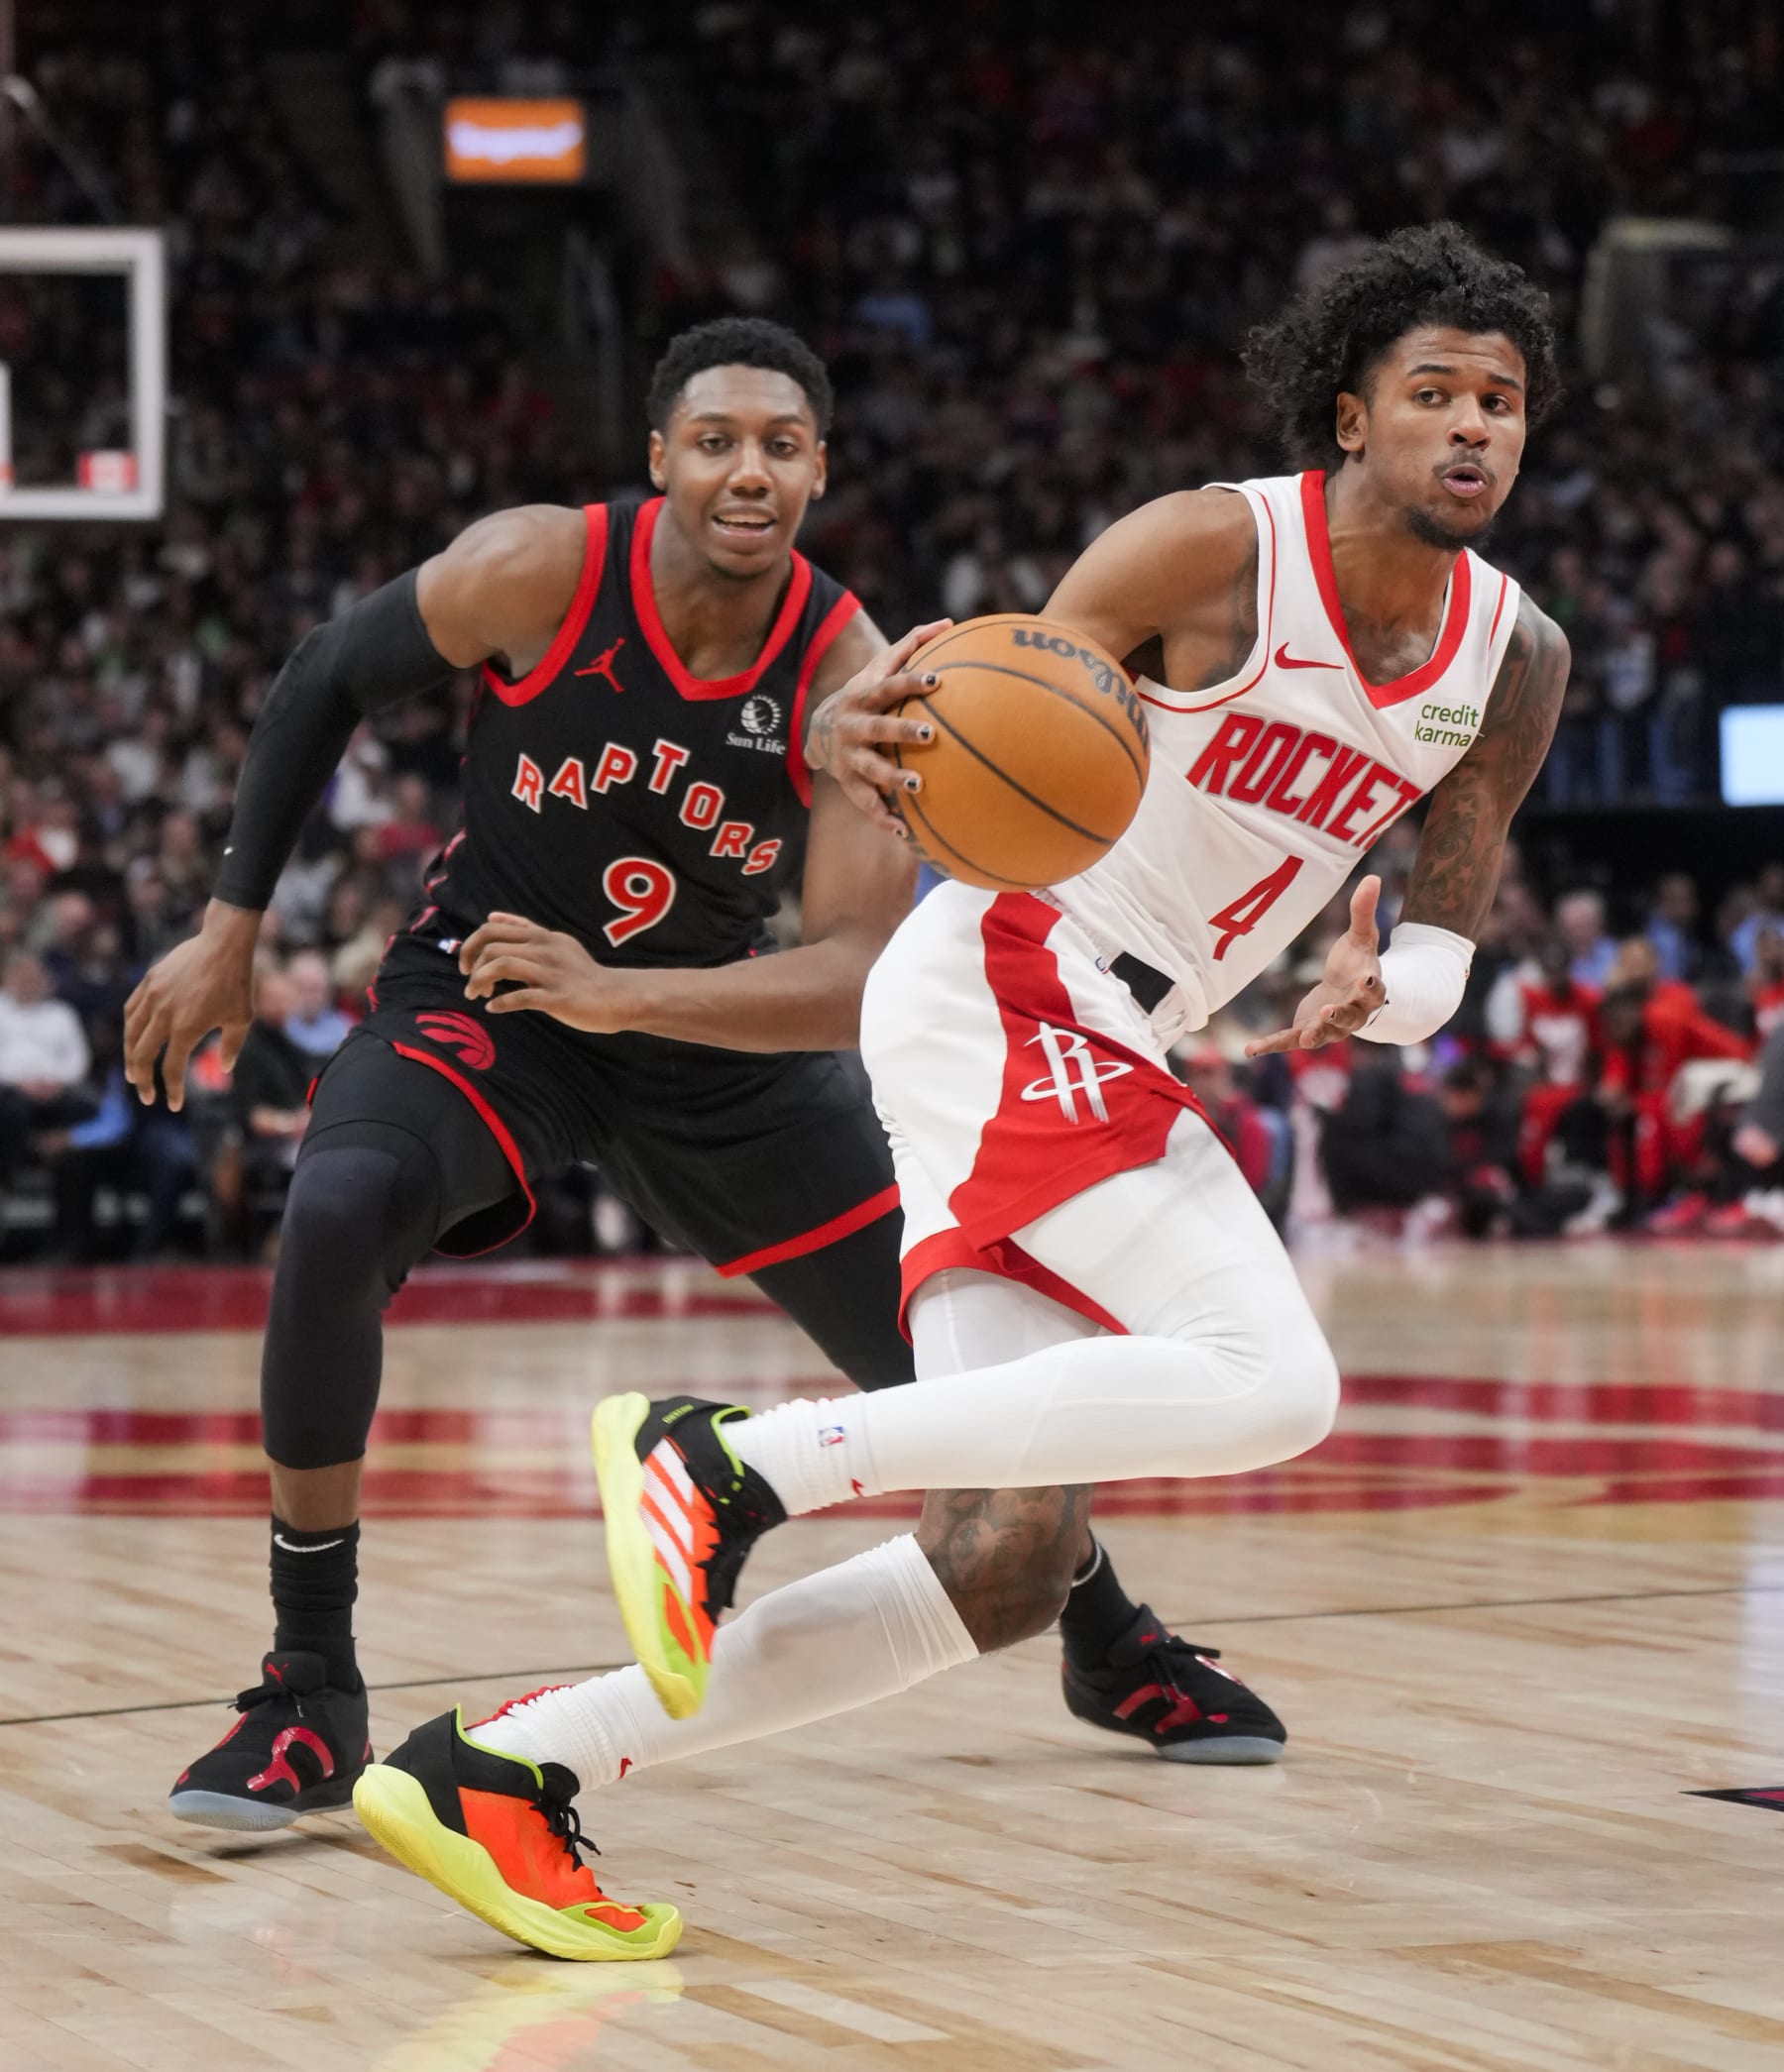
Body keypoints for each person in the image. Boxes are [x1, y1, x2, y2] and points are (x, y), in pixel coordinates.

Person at [357, 224, 1574, 1961]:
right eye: (1435, 395)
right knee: (1278, 1382)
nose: (1474, 429)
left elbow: (1448, 907)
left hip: (1101, 1028)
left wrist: (1394, 989)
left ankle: (507, 1768)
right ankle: (731, 1463)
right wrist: (881, 732)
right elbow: (997, 695)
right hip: (1020, 971)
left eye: (1504, 403)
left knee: (1002, 1564)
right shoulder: (1216, 544)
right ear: (1350, 415)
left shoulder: (1514, 657)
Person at [125, 319, 1276, 1888]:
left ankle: (1102, 1631)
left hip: (707, 1038)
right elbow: (327, 676)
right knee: (335, 1209)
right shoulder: (534, 571)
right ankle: (307, 1682)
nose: (751, 469)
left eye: (783, 445)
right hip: (492, 1000)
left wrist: (622, 994)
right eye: (719, 439)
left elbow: (859, 969)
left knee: (965, 1368)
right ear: (661, 456)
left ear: (818, 470)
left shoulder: (854, 674)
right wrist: (231, 928)